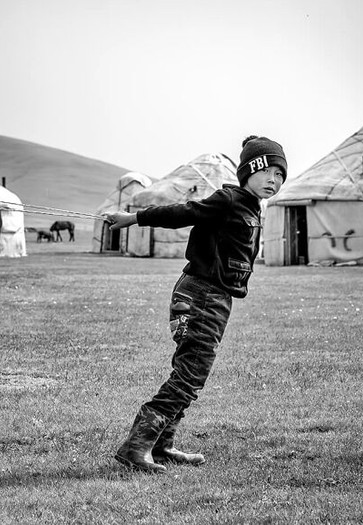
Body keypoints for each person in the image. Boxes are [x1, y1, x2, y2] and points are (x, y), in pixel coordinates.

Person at [104, 135, 287, 474]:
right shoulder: (229, 199)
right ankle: (136, 446)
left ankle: (161, 445)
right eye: (268, 173)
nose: (274, 181)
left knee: (192, 372)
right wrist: (134, 218)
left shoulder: (250, 207)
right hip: (201, 294)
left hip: (214, 298)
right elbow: (183, 212)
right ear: (248, 171)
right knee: (190, 373)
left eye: (280, 175)